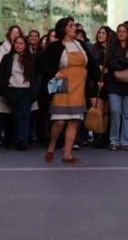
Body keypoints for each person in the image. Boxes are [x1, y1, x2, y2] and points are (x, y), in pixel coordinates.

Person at [39, 16, 99, 164]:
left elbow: (91, 63)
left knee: (74, 121)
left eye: (74, 26)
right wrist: (53, 72)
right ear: (64, 28)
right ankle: (52, 145)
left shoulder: (81, 45)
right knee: (59, 121)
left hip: (79, 85)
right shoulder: (55, 46)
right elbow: (40, 63)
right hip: (61, 83)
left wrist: (98, 79)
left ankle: (67, 154)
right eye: (71, 26)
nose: (75, 28)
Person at [104, 24, 128, 150]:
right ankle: (114, 140)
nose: (121, 33)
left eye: (124, 31)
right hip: (114, 83)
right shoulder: (111, 46)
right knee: (115, 111)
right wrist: (124, 63)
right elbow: (109, 63)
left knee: (127, 114)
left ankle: (126, 141)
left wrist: (118, 62)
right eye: (119, 31)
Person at [0, 35, 35, 150]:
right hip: (12, 90)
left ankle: (23, 140)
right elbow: (1, 75)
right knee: (15, 115)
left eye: (21, 43)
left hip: (26, 90)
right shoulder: (7, 58)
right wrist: (5, 90)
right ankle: (16, 139)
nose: (18, 45)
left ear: (25, 45)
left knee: (24, 115)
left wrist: (34, 92)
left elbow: (37, 76)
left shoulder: (32, 58)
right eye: (17, 43)